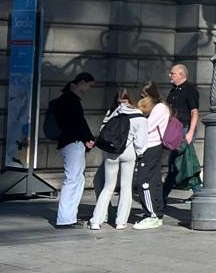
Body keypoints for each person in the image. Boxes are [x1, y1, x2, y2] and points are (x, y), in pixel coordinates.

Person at [89, 90, 145, 230]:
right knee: (126, 187)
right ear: (131, 100)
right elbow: (141, 142)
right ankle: (121, 222)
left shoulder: (114, 113)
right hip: (129, 152)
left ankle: (96, 221)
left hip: (112, 152)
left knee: (108, 187)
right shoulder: (139, 116)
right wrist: (139, 153)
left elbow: (103, 132)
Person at [49, 72, 97, 228]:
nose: (89, 89)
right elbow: (77, 123)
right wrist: (87, 138)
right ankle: (65, 218)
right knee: (73, 180)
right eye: (89, 85)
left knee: (76, 179)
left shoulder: (67, 99)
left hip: (71, 142)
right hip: (73, 142)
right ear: (82, 82)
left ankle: (69, 217)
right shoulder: (70, 100)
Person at [134, 83, 171, 229]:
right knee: (154, 181)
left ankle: (152, 215)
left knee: (145, 182)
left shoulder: (160, 108)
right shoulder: (161, 107)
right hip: (153, 146)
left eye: (144, 96)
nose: (142, 98)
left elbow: (146, 127)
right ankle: (156, 213)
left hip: (151, 146)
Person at [164, 63, 201, 202]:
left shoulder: (190, 90)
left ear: (181, 74)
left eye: (172, 73)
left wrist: (190, 133)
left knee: (180, 162)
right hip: (174, 131)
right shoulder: (173, 91)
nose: (170, 75)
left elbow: (194, 112)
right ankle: (198, 192)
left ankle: (162, 196)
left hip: (184, 129)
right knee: (181, 162)